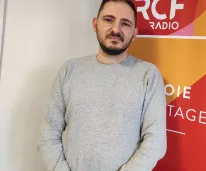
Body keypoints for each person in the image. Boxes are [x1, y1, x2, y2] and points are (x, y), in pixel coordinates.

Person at [37, 0, 167, 170]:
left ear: (134, 33)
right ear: (95, 24)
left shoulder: (148, 75)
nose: (115, 29)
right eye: (108, 20)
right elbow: (48, 132)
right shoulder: (69, 70)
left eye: (125, 23)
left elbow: (155, 143)